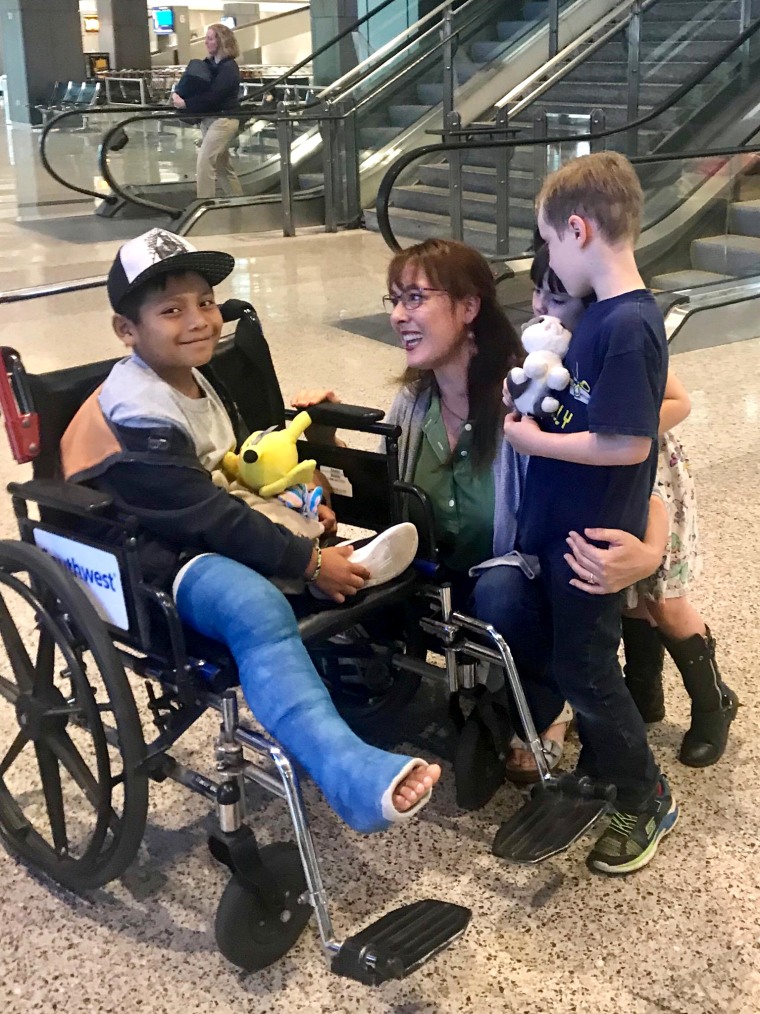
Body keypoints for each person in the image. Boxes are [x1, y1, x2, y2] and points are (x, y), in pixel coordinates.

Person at [58, 228, 440, 836]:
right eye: (172, 310)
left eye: (206, 302)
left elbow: (233, 469)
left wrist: (296, 495)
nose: (200, 321)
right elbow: (204, 514)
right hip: (152, 555)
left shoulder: (195, 379)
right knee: (256, 608)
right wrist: (307, 561)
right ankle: (348, 774)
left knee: (295, 530)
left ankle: (329, 569)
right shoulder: (139, 410)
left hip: (203, 530)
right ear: (126, 331)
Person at [486, 243, 737, 780]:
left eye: (556, 293)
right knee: (625, 603)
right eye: (537, 289)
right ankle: (644, 699)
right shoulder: (556, 346)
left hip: (650, 480)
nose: (541, 304)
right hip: (592, 483)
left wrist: (588, 430)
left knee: (663, 601)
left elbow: (679, 404)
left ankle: (714, 702)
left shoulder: (618, 335)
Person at [499, 150, 676, 876]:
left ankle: (645, 792)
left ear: (577, 230)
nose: (548, 259)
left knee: (587, 667)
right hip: (568, 531)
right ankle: (607, 770)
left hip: (592, 544)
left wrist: (535, 439)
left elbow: (628, 444)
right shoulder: (602, 320)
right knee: (578, 661)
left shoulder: (625, 326)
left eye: (547, 242)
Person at [172, 23, 244, 200]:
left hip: (224, 120)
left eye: (210, 39)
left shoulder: (229, 68)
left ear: (221, 42)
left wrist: (186, 104)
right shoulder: (211, 65)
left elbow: (214, 96)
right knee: (222, 166)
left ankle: (205, 205)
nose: (206, 42)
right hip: (209, 119)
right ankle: (239, 202)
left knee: (205, 161)